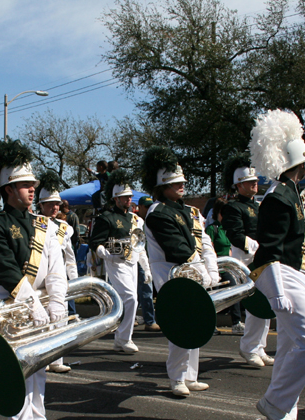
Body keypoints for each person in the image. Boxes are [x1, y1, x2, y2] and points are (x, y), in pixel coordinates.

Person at [0, 138, 67, 420]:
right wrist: (32, 303)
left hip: (39, 303)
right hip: (10, 306)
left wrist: (57, 302)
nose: (32, 189)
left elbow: (55, 268)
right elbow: (7, 270)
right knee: (19, 370)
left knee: (39, 367)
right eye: (25, 185)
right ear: (8, 190)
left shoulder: (44, 226)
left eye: (32, 184)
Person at [248, 109, 305, 420]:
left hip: (298, 274)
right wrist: (276, 288)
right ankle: (275, 403)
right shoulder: (279, 195)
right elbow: (270, 248)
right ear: (299, 161)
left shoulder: (292, 193)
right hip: (285, 274)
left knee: (294, 345)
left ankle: (283, 412)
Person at [142, 147, 220, 397]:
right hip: (170, 273)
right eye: (174, 182)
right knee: (180, 322)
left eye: (181, 181)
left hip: (192, 270)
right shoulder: (159, 212)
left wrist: (212, 266)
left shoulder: (188, 211)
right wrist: (201, 269)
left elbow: (202, 239)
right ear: (161, 186)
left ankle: (190, 375)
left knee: (195, 320)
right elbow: (177, 249)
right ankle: (177, 377)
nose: (181, 184)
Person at [220, 158, 275, 367]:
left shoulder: (259, 205)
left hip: (262, 258)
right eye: (249, 181)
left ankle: (259, 346)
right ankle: (249, 347)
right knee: (256, 305)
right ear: (239, 185)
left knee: (267, 304)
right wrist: (257, 247)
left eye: (255, 180)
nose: (255, 184)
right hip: (247, 260)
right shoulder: (233, 207)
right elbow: (235, 235)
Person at [90, 169, 152, 353]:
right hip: (116, 263)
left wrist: (146, 268)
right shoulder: (106, 218)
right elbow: (96, 243)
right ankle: (124, 338)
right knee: (131, 298)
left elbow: (139, 246)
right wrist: (108, 256)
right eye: (124, 197)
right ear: (115, 199)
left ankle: (122, 338)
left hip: (132, 261)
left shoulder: (135, 219)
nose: (128, 200)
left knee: (131, 299)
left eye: (129, 197)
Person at [36, 170, 79, 372]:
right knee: (42, 318)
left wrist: (75, 279)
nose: (54, 207)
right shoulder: (34, 223)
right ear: (41, 205)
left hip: (59, 274)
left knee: (59, 315)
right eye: (50, 204)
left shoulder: (65, 227)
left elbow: (69, 256)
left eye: (57, 204)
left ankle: (57, 360)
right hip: (40, 273)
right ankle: (42, 359)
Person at [205, 197, 244, 334]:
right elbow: (208, 249)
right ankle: (233, 323)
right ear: (220, 213)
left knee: (237, 291)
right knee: (216, 294)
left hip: (230, 265)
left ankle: (236, 322)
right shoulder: (212, 229)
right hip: (218, 265)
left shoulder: (229, 228)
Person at [134, 195, 160, 331]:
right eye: (146, 207)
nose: (149, 209)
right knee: (144, 290)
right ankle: (149, 321)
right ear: (140, 208)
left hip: (152, 259)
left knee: (144, 291)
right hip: (138, 259)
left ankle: (138, 318)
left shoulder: (153, 220)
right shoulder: (136, 221)